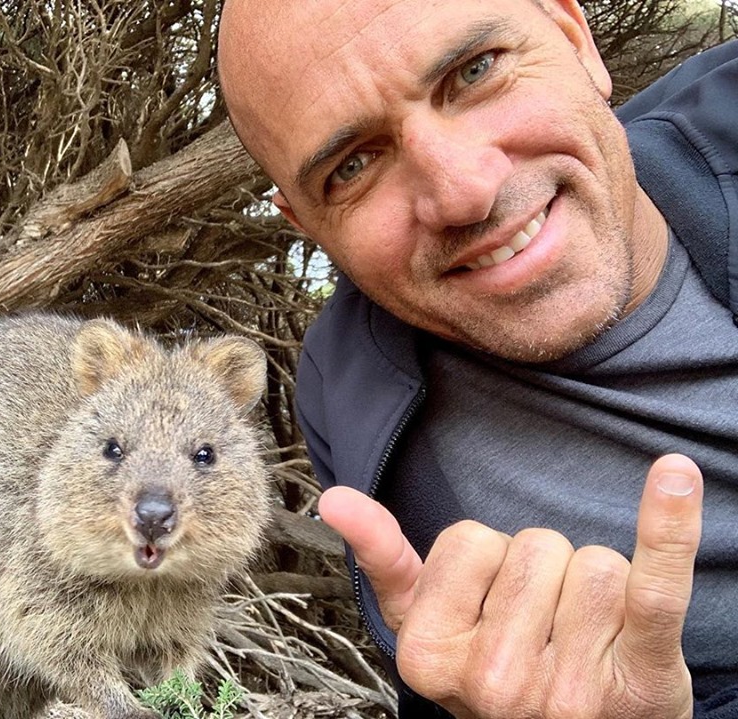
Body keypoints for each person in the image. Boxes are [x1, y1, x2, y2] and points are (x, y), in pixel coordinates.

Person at [217, 0, 738, 717]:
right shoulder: (347, 389)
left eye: (476, 71)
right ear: (309, 227)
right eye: (355, 165)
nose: (465, 191)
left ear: (574, 37)